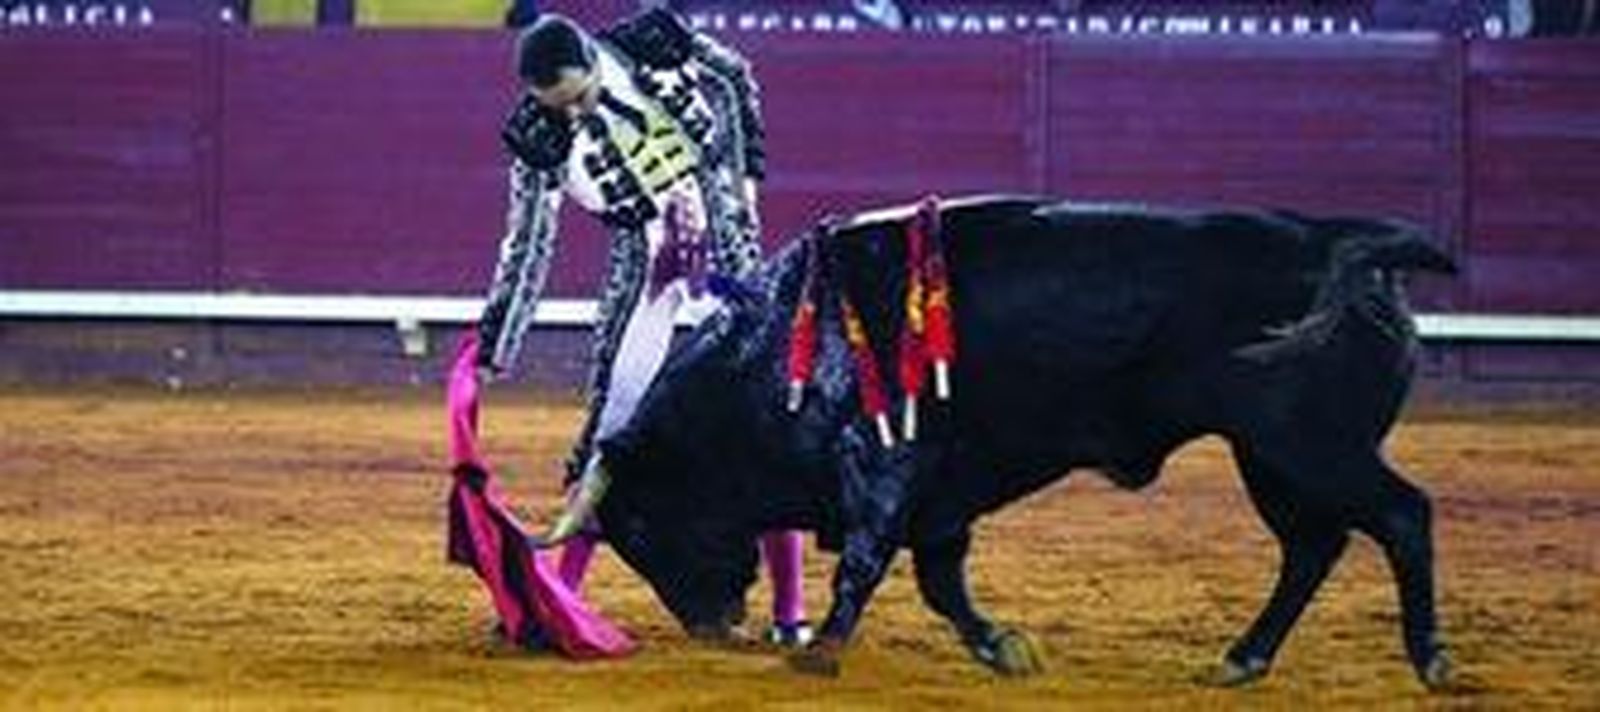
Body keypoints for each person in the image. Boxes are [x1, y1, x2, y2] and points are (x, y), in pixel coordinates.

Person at [475, 10, 812, 646]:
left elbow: (736, 78)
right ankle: (556, 602)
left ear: (593, 60)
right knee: (613, 428)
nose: (570, 116)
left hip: (726, 255)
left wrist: (742, 185)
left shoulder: (653, 41)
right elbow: (527, 241)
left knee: (763, 425)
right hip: (646, 263)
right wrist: (500, 339)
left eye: (578, 98)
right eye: (557, 107)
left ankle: (790, 614)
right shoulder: (537, 136)